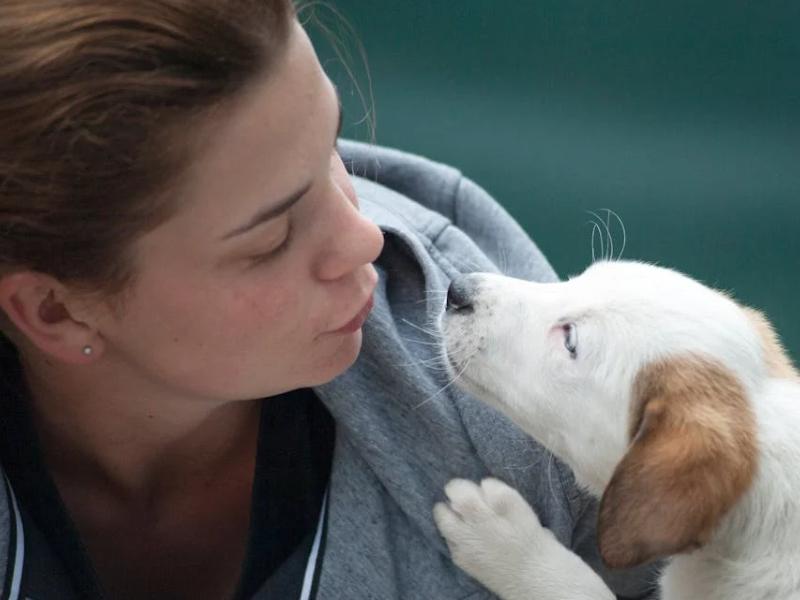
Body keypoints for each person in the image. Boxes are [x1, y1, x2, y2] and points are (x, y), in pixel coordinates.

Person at [0, 1, 659, 599]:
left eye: (332, 151)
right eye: (271, 238)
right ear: (55, 312)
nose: (365, 234)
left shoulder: (508, 408)